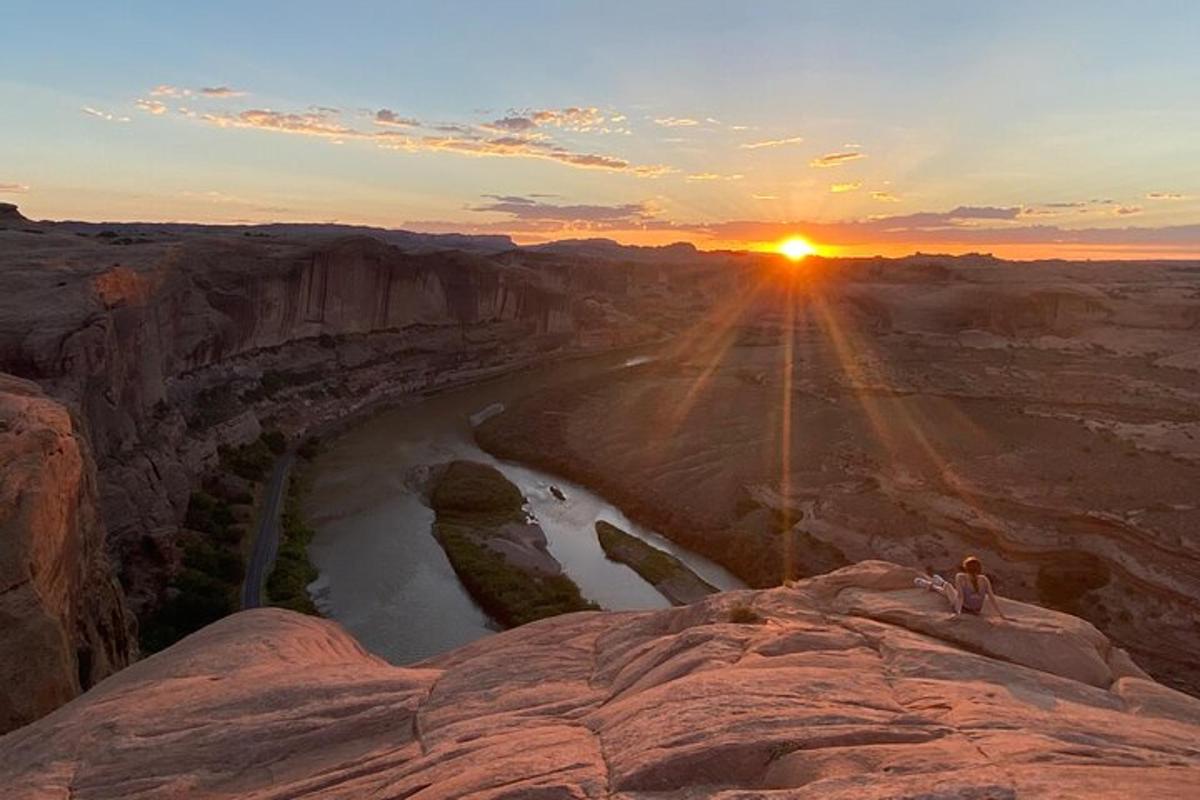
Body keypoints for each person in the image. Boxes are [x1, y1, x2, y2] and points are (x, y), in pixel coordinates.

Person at [915, 556, 1009, 619]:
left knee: (948, 587)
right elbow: (992, 598)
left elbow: (960, 596)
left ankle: (934, 585)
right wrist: (1001, 615)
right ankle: (938, 582)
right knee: (950, 591)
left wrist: (958, 613)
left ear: (966, 568)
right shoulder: (984, 579)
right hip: (976, 609)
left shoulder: (960, 577)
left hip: (964, 608)